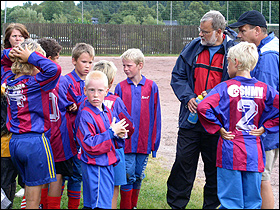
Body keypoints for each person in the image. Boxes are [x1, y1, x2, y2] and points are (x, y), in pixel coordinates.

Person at [167, 10, 237, 209]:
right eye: (200, 30)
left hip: (216, 124)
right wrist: (188, 97)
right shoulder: (193, 48)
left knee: (214, 169)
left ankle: (212, 206)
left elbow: (237, 84)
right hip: (190, 120)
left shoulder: (232, 53)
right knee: (182, 164)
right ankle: (176, 205)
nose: (200, 35)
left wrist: (214, 101)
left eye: (205, 32)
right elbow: (177, 77)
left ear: (219, 31)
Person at [197, 41, 279, 209]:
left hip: (230, 150)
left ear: (236, 62)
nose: (227, 66)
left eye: (227, 62)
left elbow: (203, 107)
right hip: (253, 152)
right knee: (253, 202)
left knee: (230, 201)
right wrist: (266, 127)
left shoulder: (224, 87)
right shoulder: (265, 89)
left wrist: (218, 128)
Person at [228, 10, 279, 209]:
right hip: (268, 129)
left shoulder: (267, 56)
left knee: (261, 179)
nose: (239, 35)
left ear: (257, 31)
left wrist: (265, 128)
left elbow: (267, 99)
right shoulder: (267, 50)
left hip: (266, 131)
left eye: (242, 30)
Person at [2, 39, 61, 209]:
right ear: (32, 62)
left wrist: (8, 53)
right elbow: (54, 69)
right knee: (34, 200)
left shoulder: (9, 81)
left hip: (15, 143)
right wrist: (32, 56)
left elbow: (1, 61)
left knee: (28, 186)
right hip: (35, 142)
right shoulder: (36, 83)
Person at [115, 48, 161, 209]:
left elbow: (156, 116)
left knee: (138, 175)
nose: (126, 69)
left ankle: (133, 205)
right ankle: (125, 206)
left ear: (140, 65)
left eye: (129, 65)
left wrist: (154, 143)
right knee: (127, 175)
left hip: (144, 142)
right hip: (126, 143)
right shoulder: (120, 87)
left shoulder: (151, 87)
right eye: (123, 66)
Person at [74, 70, 128, 209]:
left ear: (107, 91)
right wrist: (111, 133)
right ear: (85, 90)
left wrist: (119, 134)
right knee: (99, 204)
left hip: (107, 163)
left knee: (98, 202)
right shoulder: (86, 114)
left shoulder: (107, 111)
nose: (96, 95)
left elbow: (112, 139)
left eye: (100, 90)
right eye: (91, 90)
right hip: (96, 165)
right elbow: (89, 145)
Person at [37, 37, 79, 209]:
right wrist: (73, 105)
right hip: (59, 138)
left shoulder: (34, 80)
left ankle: (41, 205)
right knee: (57, 175)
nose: (58, 60)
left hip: (40, 135)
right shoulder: (62, 80)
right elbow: (74, 102)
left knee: (42, 176)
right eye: (57, 57)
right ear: (50, 59)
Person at [92, 60, 135, 209]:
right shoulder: (115, 101)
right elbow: (129, 125)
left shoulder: (87, 100)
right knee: (114, 189)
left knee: (96, 190)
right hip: (114, 151)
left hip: (93, 150)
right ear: (110, 82)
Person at [1, 23, 30, 209]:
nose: (17, 39)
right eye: (14, 36)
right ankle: (6, 204)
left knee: (26, 174)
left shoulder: (32, 61)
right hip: (5, 127)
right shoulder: (4, 62)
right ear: (8, 40)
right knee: (5, 172)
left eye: (21, 36)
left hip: (25, 128)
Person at [63, 42, 95, 209]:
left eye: (90, 62)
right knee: (61, 174)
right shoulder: (66, 81)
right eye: (84, 62)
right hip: (68, 137)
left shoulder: (93, 82)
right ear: (74, 61)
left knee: (78, 175)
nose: (87, 66)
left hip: (85, 138)